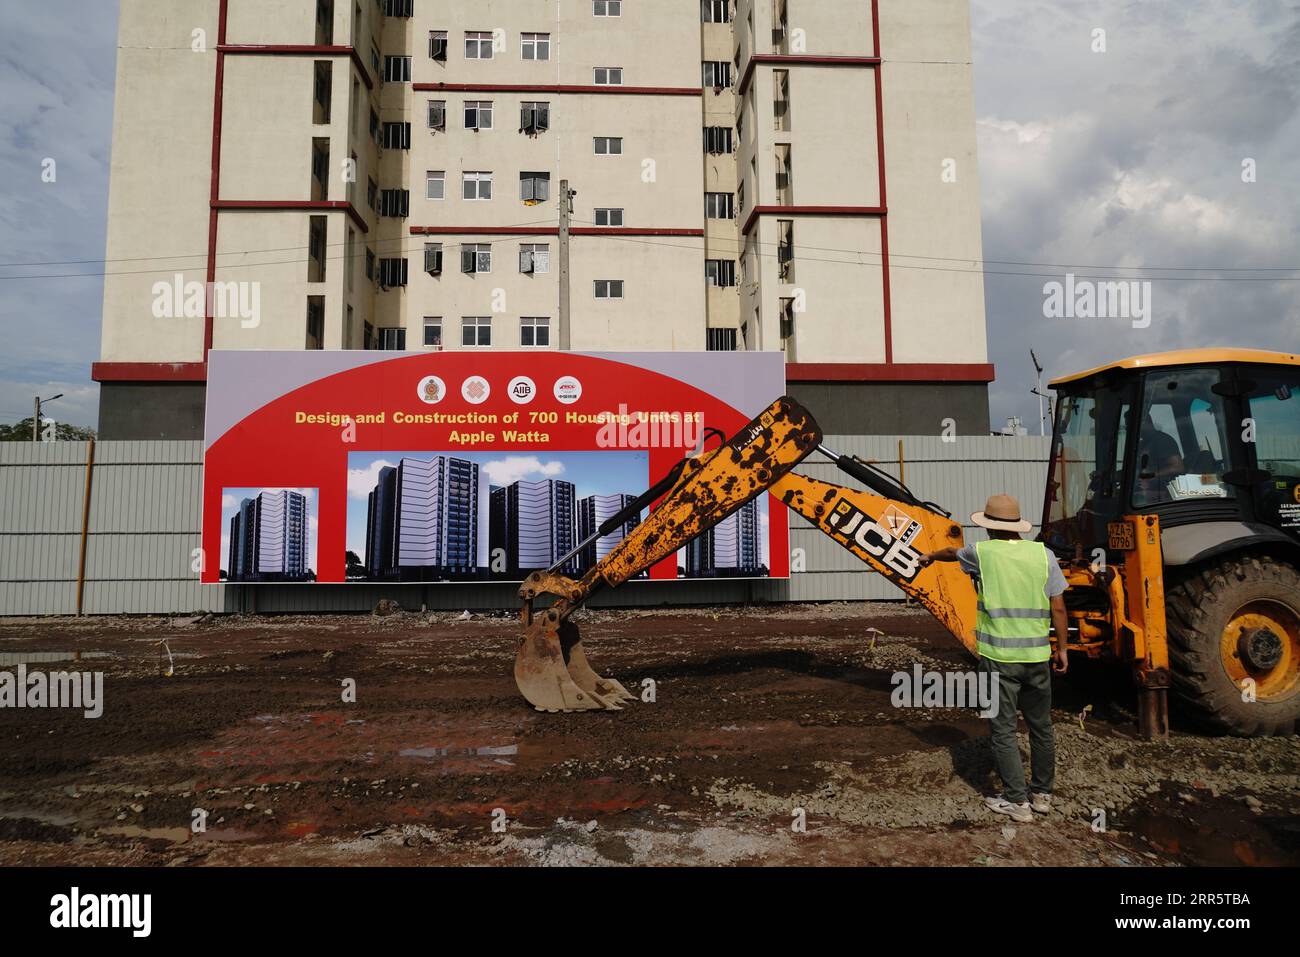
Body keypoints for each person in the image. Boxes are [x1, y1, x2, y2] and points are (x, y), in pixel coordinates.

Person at [919, 494, 1070, 823]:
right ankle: (1042, 795)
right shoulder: (1043, 555)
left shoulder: (982, 554)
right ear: (1017, 526)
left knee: (1002, 730)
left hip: (999, 658)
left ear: (989, 527)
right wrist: (1062, 648)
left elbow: (950, 553)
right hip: (1036, 657)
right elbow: (1058, 606)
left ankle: (1017, 803)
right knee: (1041, 727)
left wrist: (929, 555)